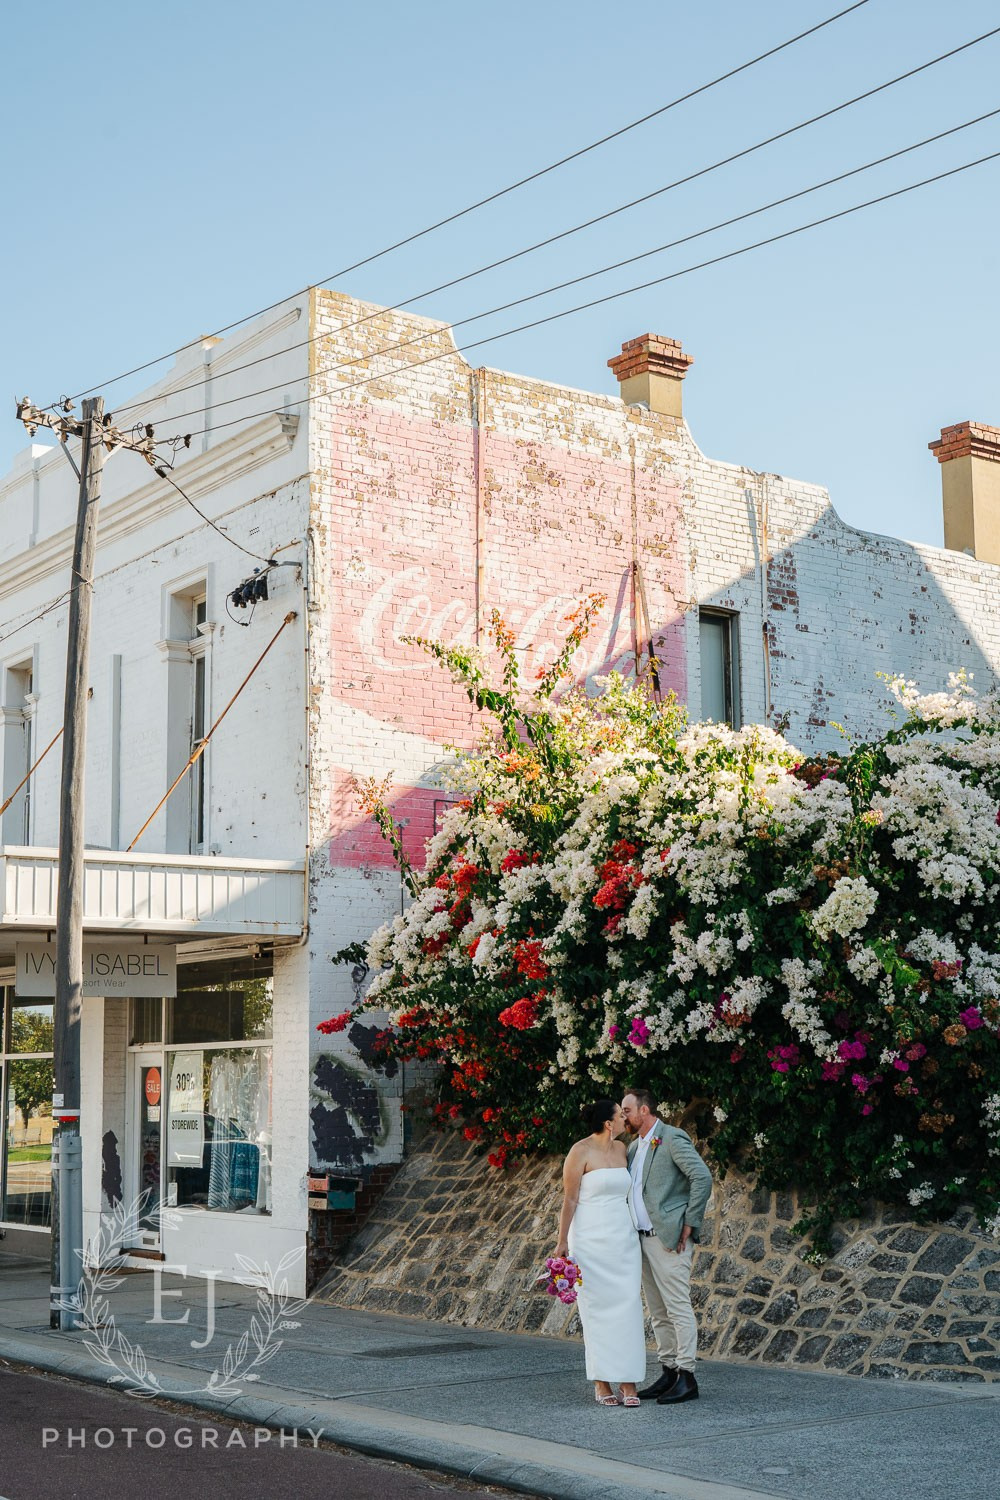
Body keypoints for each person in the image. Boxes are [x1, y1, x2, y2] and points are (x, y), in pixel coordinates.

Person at [621, 1088, 713, 1405]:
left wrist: (690, 1222)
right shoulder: (633, 1149)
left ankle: (687, 1376)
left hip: (669, 1238)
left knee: (677, 1308)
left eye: (628, 1110)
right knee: (658, 1312)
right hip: (641, 1240)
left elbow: (701, 1176)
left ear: (644, 1110)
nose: (624, 1116)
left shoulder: (672, 1137)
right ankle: (669, 1371)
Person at [552, 1099, 647, 1407]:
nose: (625, 1119)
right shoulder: (579, 1151)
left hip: (623, 1239)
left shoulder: (622, 1150)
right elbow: (570, 1200)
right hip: (590, 1240)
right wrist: (561, 1242)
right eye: (621, 1115)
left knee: (629, 1305)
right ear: (609, 1123)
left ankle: (629, 1380)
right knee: (596, 1310)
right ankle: (602, 1380)